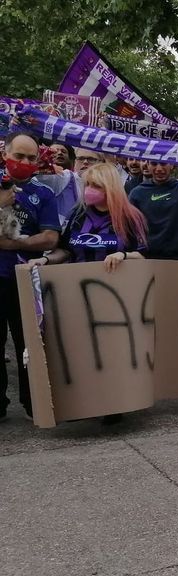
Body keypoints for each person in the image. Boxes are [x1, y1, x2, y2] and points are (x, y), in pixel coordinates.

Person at [27, 163, 148, 425]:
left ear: (111, 188)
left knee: (111, 352)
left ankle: (113, 404)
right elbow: (64, 250)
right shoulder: (78, 214)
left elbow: (146, 254)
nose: (90, 191)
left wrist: (123, 254)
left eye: (97, 186)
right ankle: (82, 402)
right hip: (78, 294)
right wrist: (45, 261)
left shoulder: (130, 217)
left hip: (115, 297)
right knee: (81, 350)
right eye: (88, 185)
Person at [0, 133, 61, 422]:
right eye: (18, 156)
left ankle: (31, 401)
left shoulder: (43, 194)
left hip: (24, 279)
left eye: (30, 158)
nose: (24, 162)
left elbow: (50, 237)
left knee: (28, 343)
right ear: (5, 154)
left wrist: (16, 244)